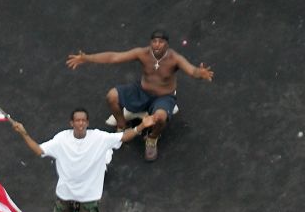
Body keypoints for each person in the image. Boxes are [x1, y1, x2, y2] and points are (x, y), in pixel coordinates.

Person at [12, 108, 155, 212]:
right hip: (65, 193)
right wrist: (23, 133)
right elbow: (40, 151)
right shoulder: (61, 139)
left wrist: (141, 127)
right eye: (77, 120)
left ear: (87, 123)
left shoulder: (100, 137)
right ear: (71, 123)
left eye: (83, 120)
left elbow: (123, 137)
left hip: (89, 195)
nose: (80, 123)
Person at [66, 28, 214, 162]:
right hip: (141, 91)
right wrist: (87, 58)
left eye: (161, 42)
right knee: (112, 96)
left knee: (160, 118)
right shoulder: (142, 53)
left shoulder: (175, 58)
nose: (157, 45)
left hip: (163, 97)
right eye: (154, 41)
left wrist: (199, 73)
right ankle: (122, 125)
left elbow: (191, 70)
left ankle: (152, 138)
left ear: (167, 45)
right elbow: (114, 57)